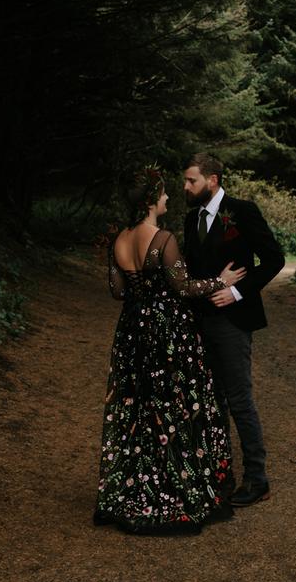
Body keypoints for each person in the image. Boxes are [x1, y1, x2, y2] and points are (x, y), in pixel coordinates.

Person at [93, 165, 247, 534]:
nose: (167, 197)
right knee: (174, 406)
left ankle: (136, 487)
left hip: (132, 332)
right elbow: (183, 287)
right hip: (166, 332)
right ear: (151, 200)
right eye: (162, 193)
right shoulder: (163, 239)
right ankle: (175, 487)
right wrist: (220, 281)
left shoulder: (120, 239)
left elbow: (118, 291)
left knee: (139, 407)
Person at [182, 153, 285, 508]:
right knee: (212, 400)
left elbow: (274, 259)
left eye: (191, 180)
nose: (186, 187)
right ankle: (220, 473)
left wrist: (237, 291)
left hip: (234, 320)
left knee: (239, 399)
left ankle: (257, 479)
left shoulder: (242, 211)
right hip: (201, 321)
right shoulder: (191, 218)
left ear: (212, 180)